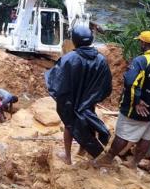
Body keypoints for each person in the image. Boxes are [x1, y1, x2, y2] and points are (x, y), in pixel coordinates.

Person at [97, 30, 150, 168]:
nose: (140, 44)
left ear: (144, 43)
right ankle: (134, 163)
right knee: (146, 137)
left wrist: (137, 101)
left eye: (140, 42)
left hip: (136, 109)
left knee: (122, 135)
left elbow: (130, 82)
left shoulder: (141, 61)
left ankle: (108, 159)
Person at [45, 25, 112, 165]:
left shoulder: (69, 58)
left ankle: (67, 157)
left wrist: (63, 98)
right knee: (87, 121)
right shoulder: (101, 59)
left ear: (74, 40)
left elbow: (58, 81)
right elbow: (106, 85)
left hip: (72, 101)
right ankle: (83, 150)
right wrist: (93, 98)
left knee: (70, 125)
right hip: (89, 102)